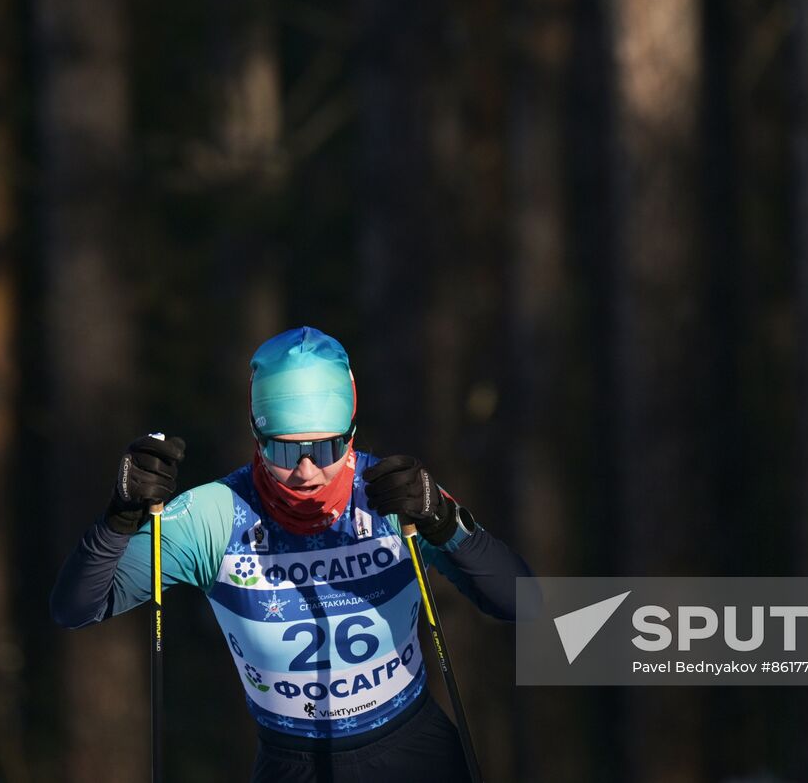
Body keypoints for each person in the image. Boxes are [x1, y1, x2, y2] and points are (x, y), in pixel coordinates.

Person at [51, 326, 533, 782]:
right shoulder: (215, 514)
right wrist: (118, 518)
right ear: (256, 439)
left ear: (351, 433)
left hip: (411, 752)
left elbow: (522, 604)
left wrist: (446, 525)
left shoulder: (393, 497)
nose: (305, 472)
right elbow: (76, 608)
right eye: (283, 452)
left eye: (324, 449)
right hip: (291, 763)